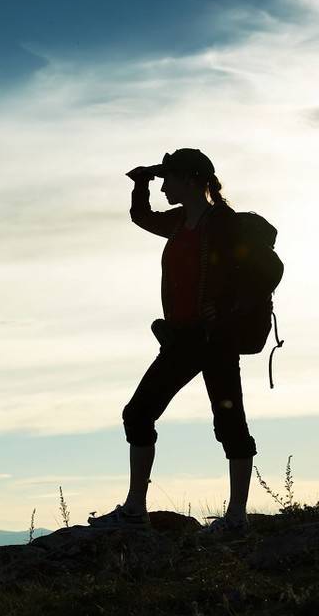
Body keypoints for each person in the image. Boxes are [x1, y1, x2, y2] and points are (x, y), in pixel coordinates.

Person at [87, 148, 257, 537]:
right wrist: (141, 183)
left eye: (169, 179)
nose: (164, 186)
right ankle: (134, 509)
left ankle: (236, 517)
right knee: (138, 413)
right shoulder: (181, 221)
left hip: (214, 340)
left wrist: (227, 311)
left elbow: (257, 275)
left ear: (192, 181)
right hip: (180, 339)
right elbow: (141, 217)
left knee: (230, 423)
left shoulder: (224, 225)